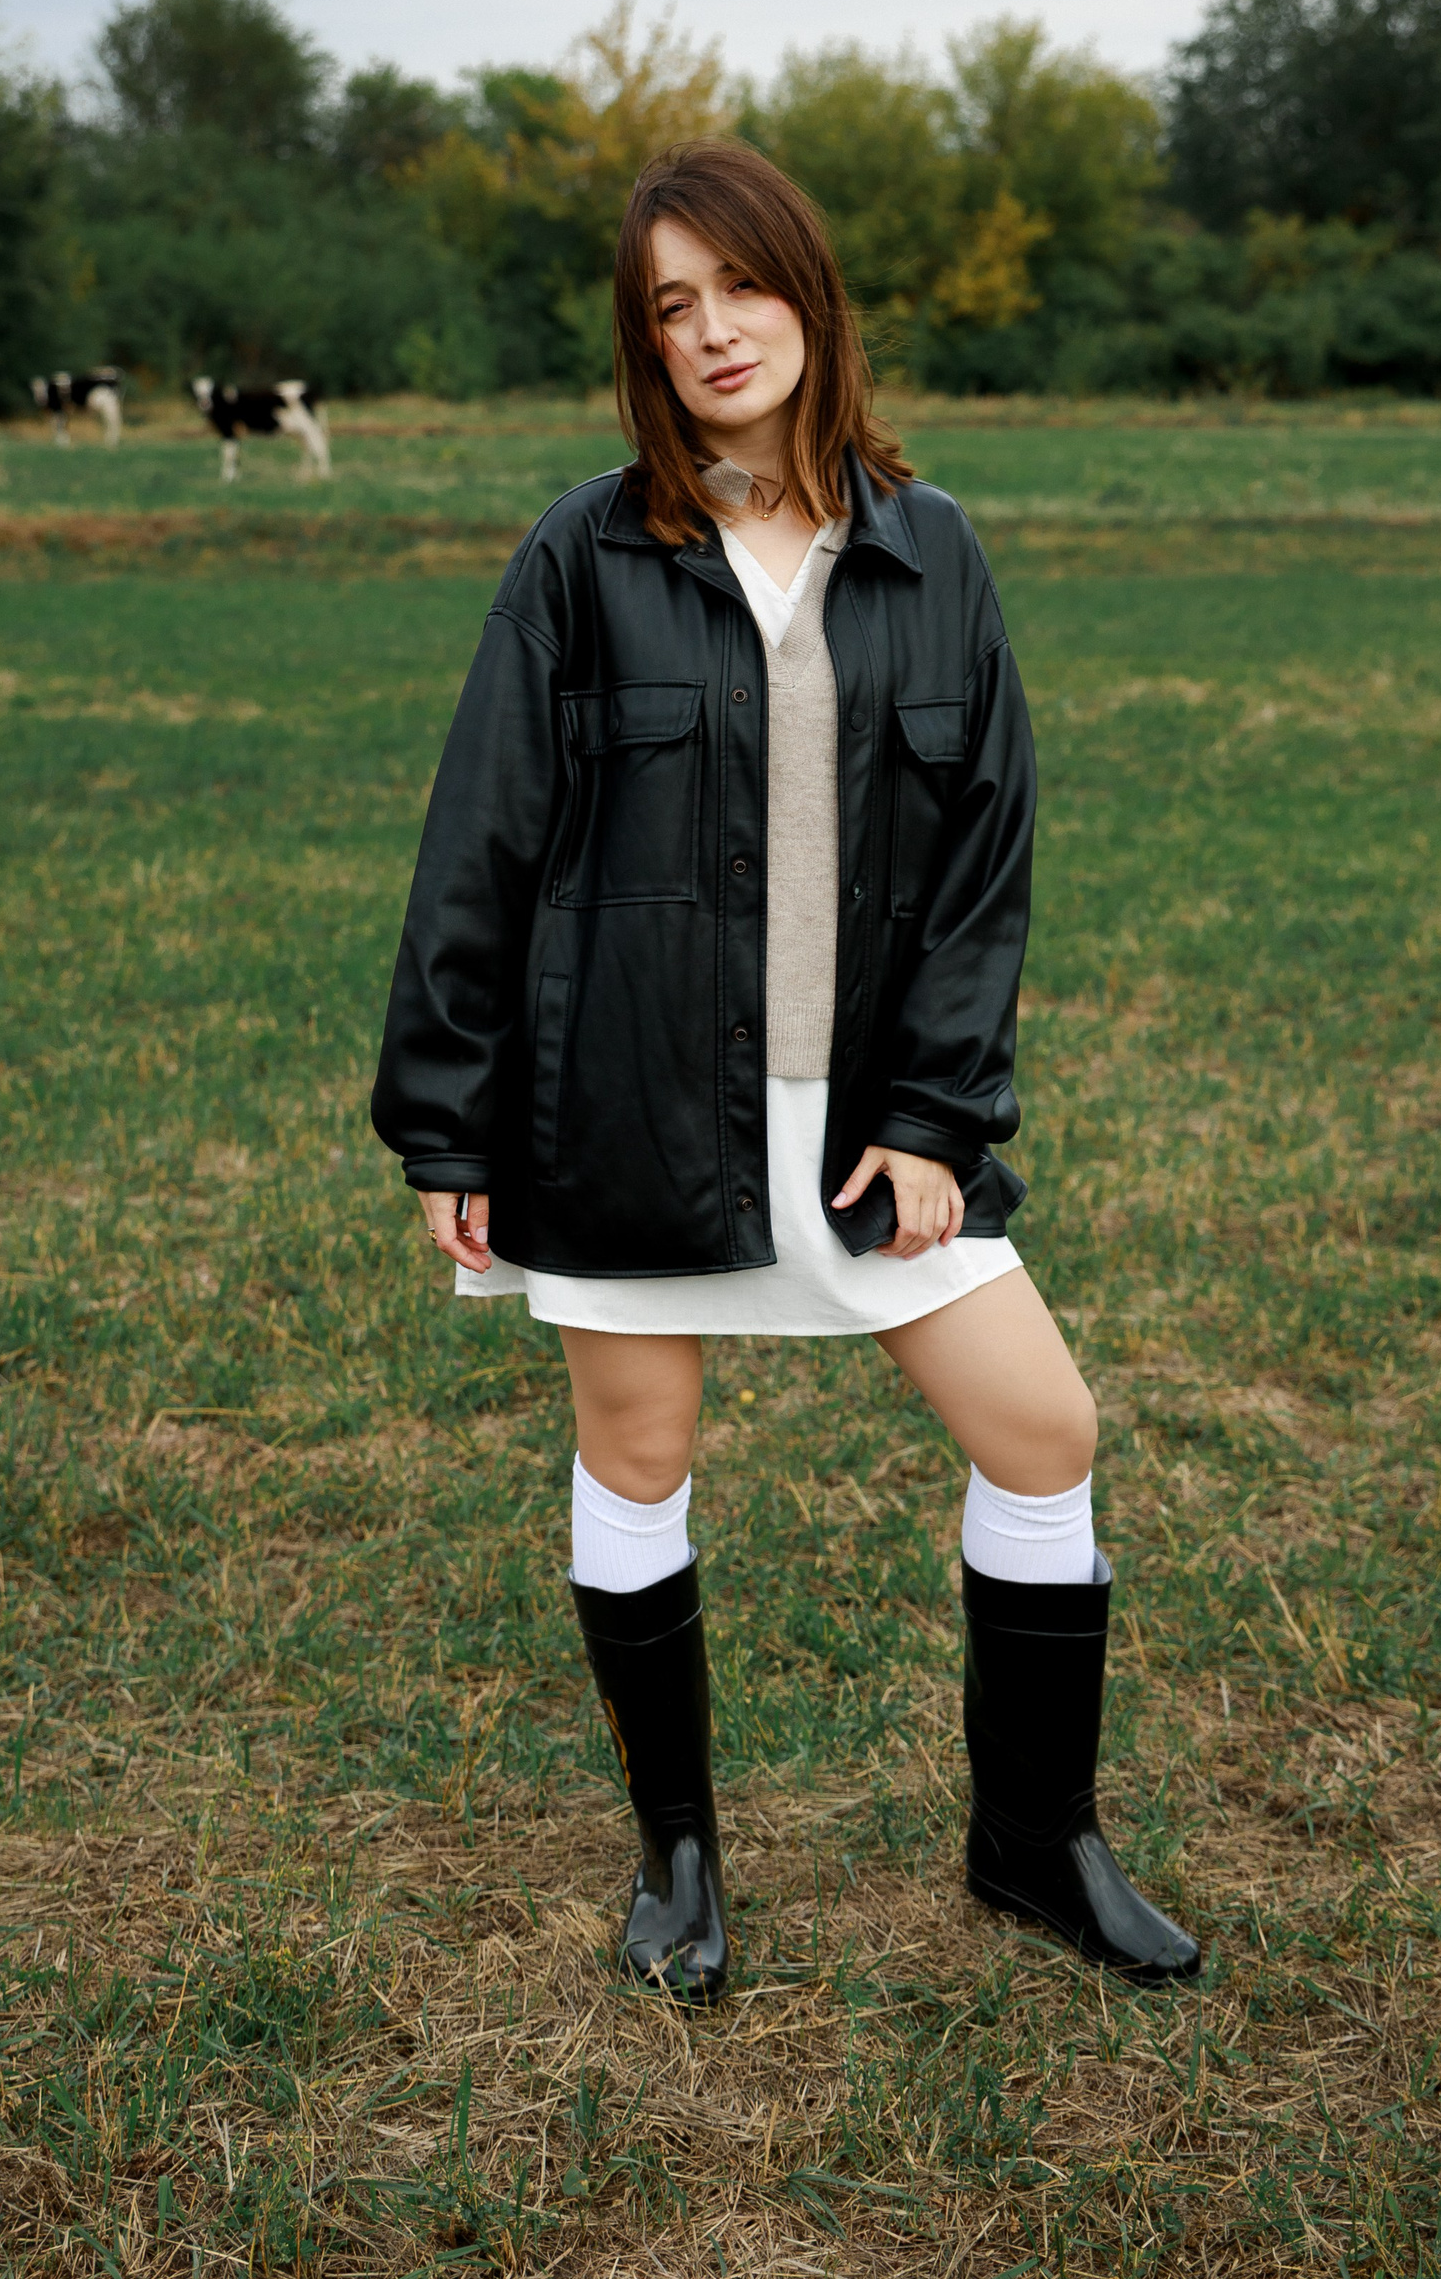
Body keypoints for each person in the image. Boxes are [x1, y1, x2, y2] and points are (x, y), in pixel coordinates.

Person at [370, 142, 1199, 2005]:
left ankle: (1035, 1843)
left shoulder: (932, 547)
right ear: (643, 344)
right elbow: (481, 837)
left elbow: (984, 862)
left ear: (809, 298)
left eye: (739, 286)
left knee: (1043, 1430)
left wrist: (934, 1117)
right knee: (637, 1454)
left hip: (866, 1127)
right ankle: (678, 1863)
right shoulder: (583, 554)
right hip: (627, 1105)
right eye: (671, 305)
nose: (713, 330)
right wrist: (448, 1121)